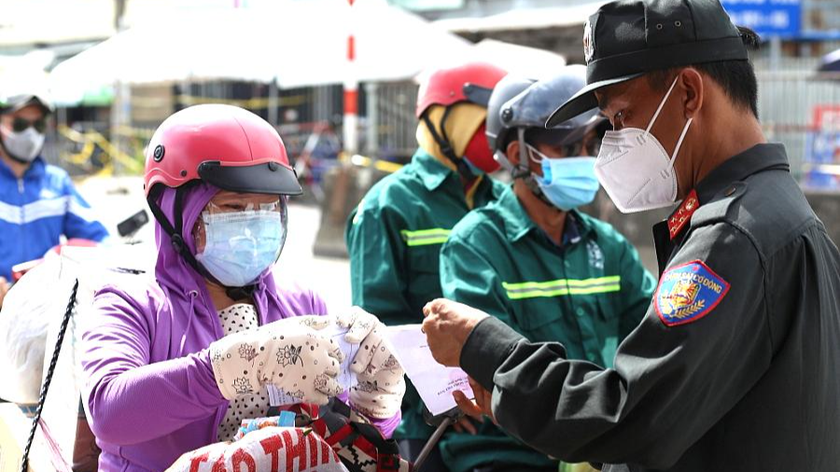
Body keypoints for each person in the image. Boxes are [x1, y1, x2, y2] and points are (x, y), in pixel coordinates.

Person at [421, 0, 840, 471]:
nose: (612, 143)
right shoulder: (782, 211)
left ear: (687, 93)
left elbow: (625, 416)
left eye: (620, 117)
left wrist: (488, 349)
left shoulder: (731, 238)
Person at [80, 105, 406, 472]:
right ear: (171, 209)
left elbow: (342, 441)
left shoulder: (301, 303)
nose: (252, 228)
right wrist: (236, 365)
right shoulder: (129, 301)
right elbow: (109, 412)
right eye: (233, 207)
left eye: (267, 210)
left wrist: (375, 404)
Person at [437, 67, 655, 472]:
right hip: (507, 455)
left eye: (592, 146)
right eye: (570, 149)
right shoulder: (476, 246)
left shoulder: (609, 248)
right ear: (521, 155)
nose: (587, 161)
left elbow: (654, 344)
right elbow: (489, 378)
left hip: (601, 446)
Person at [345, 62, 507, 465]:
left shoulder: (503, 203)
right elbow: (376, 328)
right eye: (486, 118)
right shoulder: (389, 206)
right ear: (441, 119)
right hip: (424, 428)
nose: (494, 134)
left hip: (502, 414)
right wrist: (434, 401)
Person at [0, 92, 108, 307]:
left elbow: (99, 240)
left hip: (44, 313)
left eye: (38, 125)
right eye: (20, 124)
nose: (30, 133)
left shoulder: (58, 182)